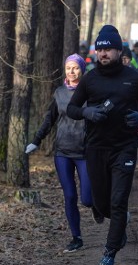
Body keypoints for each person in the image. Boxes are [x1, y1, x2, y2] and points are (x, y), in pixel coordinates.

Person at [67, 24, 138, 265]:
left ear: (118, 51)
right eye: (100, 50)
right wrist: (87, 111)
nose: (103, 54)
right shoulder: (90, 79)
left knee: (118, 202)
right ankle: (118, 227)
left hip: (124, 147)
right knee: (101, 202)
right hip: (95, 147)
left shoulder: (133, 78)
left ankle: (110, 252)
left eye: (108, 50)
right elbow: (72, 109)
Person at [25, 54, 102, 253]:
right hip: (62, 152)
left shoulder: (90, 93)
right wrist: (36, 141)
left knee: (86, 198)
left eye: (75, 68)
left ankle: (96, 206)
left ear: (82, 70)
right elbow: (49, 119)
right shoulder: (59, 93)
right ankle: (76, 237)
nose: (71, 71)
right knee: (69, 196)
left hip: (84, 152)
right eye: (68, 68)